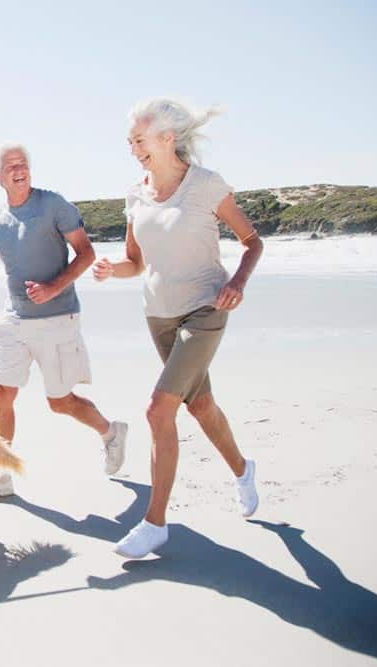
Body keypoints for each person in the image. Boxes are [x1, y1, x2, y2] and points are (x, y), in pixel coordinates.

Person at [93, 99, 263, 558]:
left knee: (157, 409)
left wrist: (238, 281)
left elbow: (252, 241)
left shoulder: (207, 186)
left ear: (169, 138)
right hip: (159, 315)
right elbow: (136, 262)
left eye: (140, 139)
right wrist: (113, 270)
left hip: (205, 310)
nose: (133, 148)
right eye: (130, 141)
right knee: (201, 405)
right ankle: (243, 468)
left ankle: (155, 523)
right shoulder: (136, 194)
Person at [0, 143, 127, 499]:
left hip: (58, 317)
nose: (20, 169)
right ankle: (1, 475)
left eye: (24, 163)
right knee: (0, 394)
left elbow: (86, 253)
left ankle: (111, 432)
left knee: (59, 402)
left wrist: (53, 287)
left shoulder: (53, 205)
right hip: (14, 318)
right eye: (11, 165)